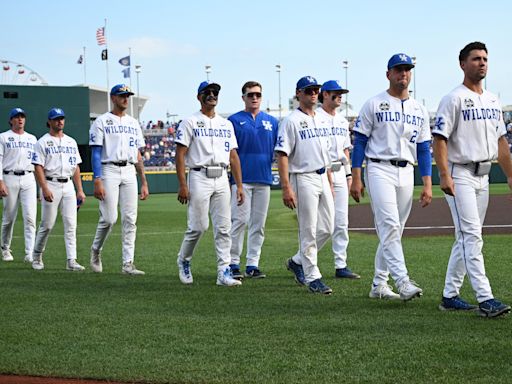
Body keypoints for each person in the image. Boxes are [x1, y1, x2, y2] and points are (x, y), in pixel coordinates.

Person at [432, 42, 512, 318]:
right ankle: (485, 297)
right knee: (472, 236)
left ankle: (450, 294)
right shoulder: (453, 98)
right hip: (460, 173)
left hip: (484, 175)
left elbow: (501, 141)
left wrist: (510, 174)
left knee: (465, 237)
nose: (482, 63)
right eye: (476, 58)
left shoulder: (492, 100)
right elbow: (439, 139)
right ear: (462, 64)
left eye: (485, 58)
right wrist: (443, 174)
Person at [350, 54, 432, 301]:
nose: (403, 74)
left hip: (407, 170)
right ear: (388, 74)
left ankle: (378, 284)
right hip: (379, 168)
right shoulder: (374, 103)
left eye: (407, 69)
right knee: (389, 226)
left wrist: (427, 183)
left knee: (395, 231)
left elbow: (424, 148)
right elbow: (360, 142)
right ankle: (402, 281)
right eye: (398, 69)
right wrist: (356, 177)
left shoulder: (419, 109)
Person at [175, 80, 244, 286]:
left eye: (215, 92)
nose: (212, 95)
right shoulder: (190, 122)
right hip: (199, 175)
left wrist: (239, 185)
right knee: (198, 227)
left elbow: (233, 156)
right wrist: (182, 184)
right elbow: (180, 155)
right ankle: (184, 260)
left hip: (222, 176)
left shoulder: (226, 123)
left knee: (224, 227)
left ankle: (224, 272)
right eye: (208, 92)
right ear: (199, 97)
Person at [276, 76, 334, 295]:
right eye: (308, 90)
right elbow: (282, 154)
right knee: (308, 229)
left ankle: (298, 261)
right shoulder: (290, 121)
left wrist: (328, 176)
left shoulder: (321, 117)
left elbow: (325, 152)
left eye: (315, 90)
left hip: (321, 175)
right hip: (302, 177)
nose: (313, 93)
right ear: (298, 93)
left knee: (328, 228)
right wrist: (285, 187)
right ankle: (313, 277)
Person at [89, 84, 149, 275]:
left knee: (130, 219)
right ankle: (96, 250)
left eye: (127, 95)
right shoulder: (101, 121)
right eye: (122, 95)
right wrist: (97, 178)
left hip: (129, 170)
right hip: (109, 170)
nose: (126, 99)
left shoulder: (133, 123)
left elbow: (138, 155)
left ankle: (128, 264)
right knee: (109, 218)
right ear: (113, 98)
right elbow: (96, 153)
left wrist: (144, 182)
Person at [228, 81, 278, 279]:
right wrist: (237, 183)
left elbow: (278, 150)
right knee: (239, 221)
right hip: (242, 181)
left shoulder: (272, 122)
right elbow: (231, 153)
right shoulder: (233, 120)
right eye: (250, 95)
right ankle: (232, 263)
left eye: (257, 94)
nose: (254, 98)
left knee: (259, 224)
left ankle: (252, 263)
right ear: (243, 98)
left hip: (264, 179)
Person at [31, 108, 86, 271]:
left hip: (68, 184)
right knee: (47, 224)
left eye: (61, 118)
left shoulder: (71, 141)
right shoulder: (42, 142)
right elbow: (38, 167)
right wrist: (44, 188)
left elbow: (76, 167)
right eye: (56, 119)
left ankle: (71, 260)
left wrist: (80, 190)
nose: (59, 121)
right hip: (51, 183)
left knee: (71, 224)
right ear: (49, 122)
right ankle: (37, 255)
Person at [317, 80, 360, 279]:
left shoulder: (343, 121)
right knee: (320, 224)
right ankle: (304, 261)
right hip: (320, 172)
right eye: (336, 93)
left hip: (340, 170)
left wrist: (349, 174)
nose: (340, 96)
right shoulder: (315, 117)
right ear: (324, 94)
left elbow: (345, 150)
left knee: (341, 222)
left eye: (341, 93)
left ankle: (340, 264)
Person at [0, 108, 37, 263]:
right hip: (10, 177)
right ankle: (5, 248)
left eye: (22, 116)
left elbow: (37, 163)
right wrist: (0, 181)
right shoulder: (3, 137)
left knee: (30, 217)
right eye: (16, 117)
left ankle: (30, 252)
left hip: (29, 177)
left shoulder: (32, 139)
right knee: (9, 217)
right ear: (11, 120)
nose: (20, 119)